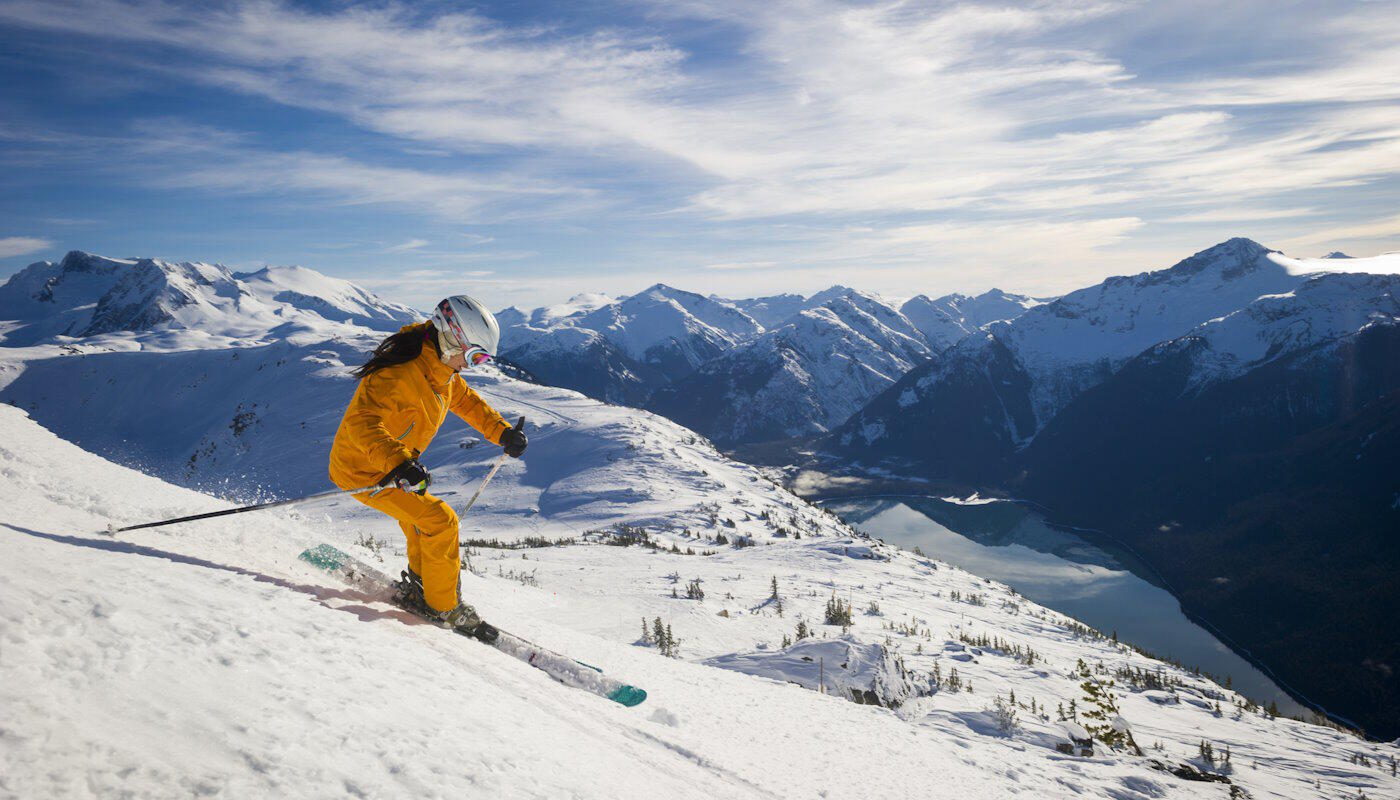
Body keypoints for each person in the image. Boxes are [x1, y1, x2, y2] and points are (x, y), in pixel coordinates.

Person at [328, 295, 527, 639]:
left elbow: (464, 400)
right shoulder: (399, 374)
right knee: (441, 521)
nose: (473, 366)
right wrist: (399, 462)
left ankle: (423, 587)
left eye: (481, 359)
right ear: (452, 338)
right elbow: (361, 424)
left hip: (394, 466)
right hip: (364, 469)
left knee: (422, 523)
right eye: (475, 356)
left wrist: (502, 432)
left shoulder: (439, 368)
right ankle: (443, 607)